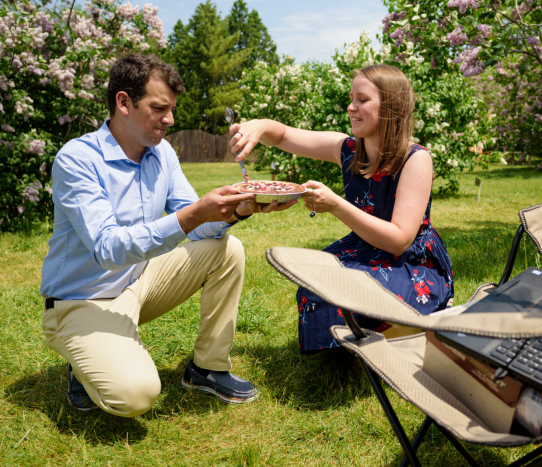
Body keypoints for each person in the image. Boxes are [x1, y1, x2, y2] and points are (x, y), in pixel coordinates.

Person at [39, 54, 295, 417]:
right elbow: (108, 249)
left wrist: (237, 210)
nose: (170, 119)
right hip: (81, 301)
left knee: (227, 249)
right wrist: (190, 215)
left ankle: (208, 367)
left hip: (138, 283)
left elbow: (199, 228)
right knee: (136, 395)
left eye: (172, 109)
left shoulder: (162, 154)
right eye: (160, 108)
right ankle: (84, 358)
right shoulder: (77, 159)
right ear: (123, 102)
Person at [227, 64, 454, 353]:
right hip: (365, 246)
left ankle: (392, 333)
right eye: (351, 99)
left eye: (362, 100)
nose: (351, 107)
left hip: (410, 261)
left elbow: (399, 240)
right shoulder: (347, 149)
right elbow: (284, 136)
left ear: (391, 108)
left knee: (358, 292)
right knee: (318, 281)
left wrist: (336, 205)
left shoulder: (415, 159)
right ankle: (348, 347)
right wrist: (257, 125)